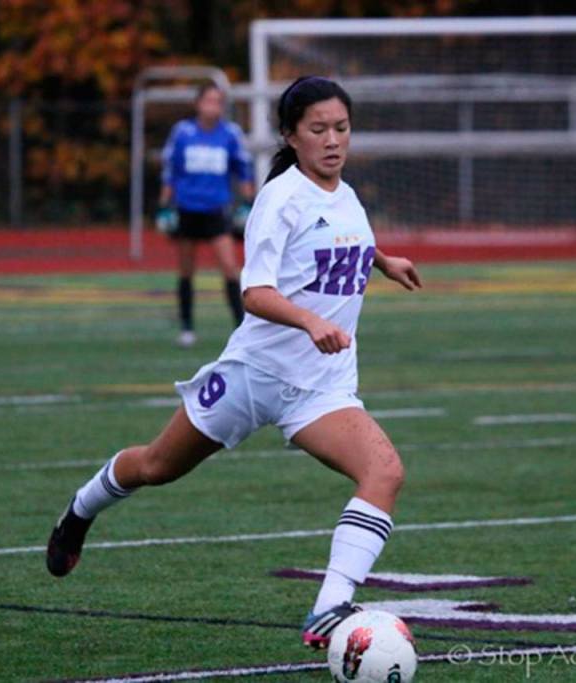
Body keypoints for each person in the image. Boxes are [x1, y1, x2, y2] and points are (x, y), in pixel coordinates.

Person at [47, 76, 423, 650]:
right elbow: (255, 293)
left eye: (341, 128)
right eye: (318, 129)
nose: (332, 140)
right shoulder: (279, 197)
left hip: (320, 389)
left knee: (385, 472)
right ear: (290, 135)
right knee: (155, 466)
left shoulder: (345, 195)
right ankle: (79, 511)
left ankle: (328, 608)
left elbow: (339, 242)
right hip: (254, 375)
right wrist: (310, 320)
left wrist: (383, 260)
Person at [157, 81, 255, 348]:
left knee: (230, 269)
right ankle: (187, 327)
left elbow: (243, 169)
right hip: (187, 209)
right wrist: (164, 206)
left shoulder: (230, 134)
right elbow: (170, 171)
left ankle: (241, 329)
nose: (214, 106)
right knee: (186, 270)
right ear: (198, 103)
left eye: (218, 101)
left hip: (216, 210)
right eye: (209, 100)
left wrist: (248, 201)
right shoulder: (183, 133)